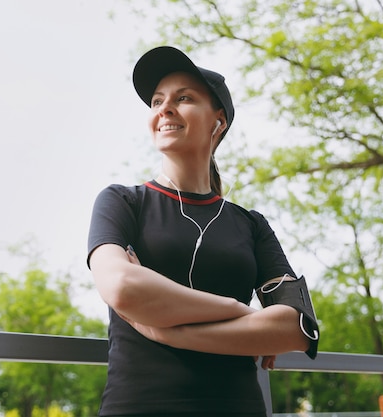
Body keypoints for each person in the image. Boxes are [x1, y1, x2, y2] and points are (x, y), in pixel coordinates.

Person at [86, 46, 320, 417]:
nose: (164, 108)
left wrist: (166, 331)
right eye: (157, 100)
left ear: (218, 121)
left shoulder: (250, 224)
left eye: (184, 98)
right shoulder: (121, 203)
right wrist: (239, 312)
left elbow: (297, 327)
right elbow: (123, 288)